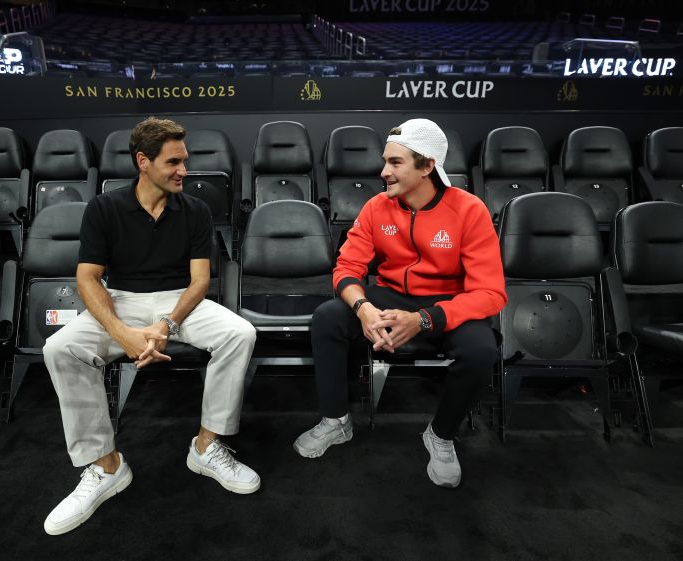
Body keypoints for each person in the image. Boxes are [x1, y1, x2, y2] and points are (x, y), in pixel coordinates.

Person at [42, 117, 260, 536]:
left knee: (239, 333)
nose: (184, 171)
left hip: (180, 302)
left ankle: (207, 446)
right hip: (120, 300)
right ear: (143, 161)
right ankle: (106, 467)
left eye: (185, 161)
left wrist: (166, 324)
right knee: (59, 348)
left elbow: (200, 282)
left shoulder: (195, 210)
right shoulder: (104, 208)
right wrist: (121, 332)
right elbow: (88, 278)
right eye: (173, 162)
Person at [293, 118, 506, 488]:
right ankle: (336, 420)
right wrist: (363, 309)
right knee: (328, 317)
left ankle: (441, 434)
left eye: (395, 162)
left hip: (446, 303)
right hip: (389, 294)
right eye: (385, 161)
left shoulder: (469, 210)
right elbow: (347, 268)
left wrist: (423, 319)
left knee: (481, 350)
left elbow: (491, 294)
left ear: (427, 167)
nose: (383, 172)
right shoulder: (376, 207)